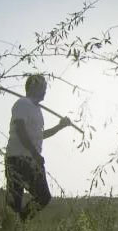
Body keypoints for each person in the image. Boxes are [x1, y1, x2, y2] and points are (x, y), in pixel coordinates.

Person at [5, 74, 71, 221]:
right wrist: (35, 155)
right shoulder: (22, 103)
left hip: (31, 159)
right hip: (18, 158)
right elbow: (20, 131)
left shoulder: (37, 110)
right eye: (43, 86)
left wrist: (60, 126)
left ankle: (20, 222)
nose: (45, 90)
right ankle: (14, 226)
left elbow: (39, 136)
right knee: (16, 202)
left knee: (43, 197)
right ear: (34, 87)